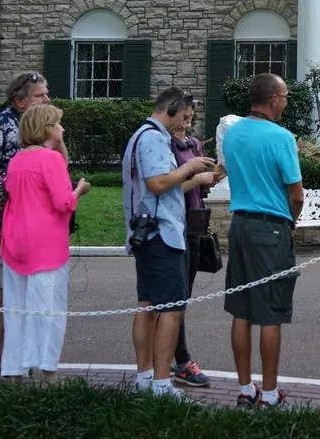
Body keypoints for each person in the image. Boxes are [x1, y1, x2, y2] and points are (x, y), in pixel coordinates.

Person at [122, 88, 216, 399]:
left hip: (149, 233)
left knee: (147, 305)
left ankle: (146, 378)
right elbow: (158, 183)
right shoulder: (152, 138)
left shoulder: (144, 135)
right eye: (185, 117)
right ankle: (162, 383)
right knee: (171, 309)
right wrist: (190, 168)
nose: (187, 123)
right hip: (161, 234)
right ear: (170, 109)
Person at [218, 73, 305, 408]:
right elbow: (295, 194)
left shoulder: (233, 133)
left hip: (240, 224)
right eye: (284, 96)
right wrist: (292, 221)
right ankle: (269, 394)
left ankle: (245, 388)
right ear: (272, 99)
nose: (286, 101)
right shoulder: (281, 137)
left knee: (241, 311)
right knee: (270, 313)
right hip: (272, 227)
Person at [0, 104, 91, 382]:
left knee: (15, 310)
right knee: (48, 310)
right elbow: (64, 202)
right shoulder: (49, 160)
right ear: (48, 128)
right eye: (59, 124)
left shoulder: (17, 159)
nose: (62, 129)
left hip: (14, 241)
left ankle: (14, 371)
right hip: (46, 244)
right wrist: (79, 189)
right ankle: (47, 372)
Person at [0, 70, 50, 377]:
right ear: (19, 100)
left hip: (32, 225)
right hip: (2, 225)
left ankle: (10, 358)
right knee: (1, 288)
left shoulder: (39, 128)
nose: (47, 99)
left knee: (22, 292)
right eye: (41, 95)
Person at [170, 105, 212, 388]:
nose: (189, 119)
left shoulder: (193, 144)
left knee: (183, 297)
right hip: (174, 225)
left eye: (191, 115)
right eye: (184, 114)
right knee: (174, 298)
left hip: (196, 224)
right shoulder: (163, 146)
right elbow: (164, 186)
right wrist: (195, 177)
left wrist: (214, 176)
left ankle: (174, 357)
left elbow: (200, 189)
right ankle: (181, 360)